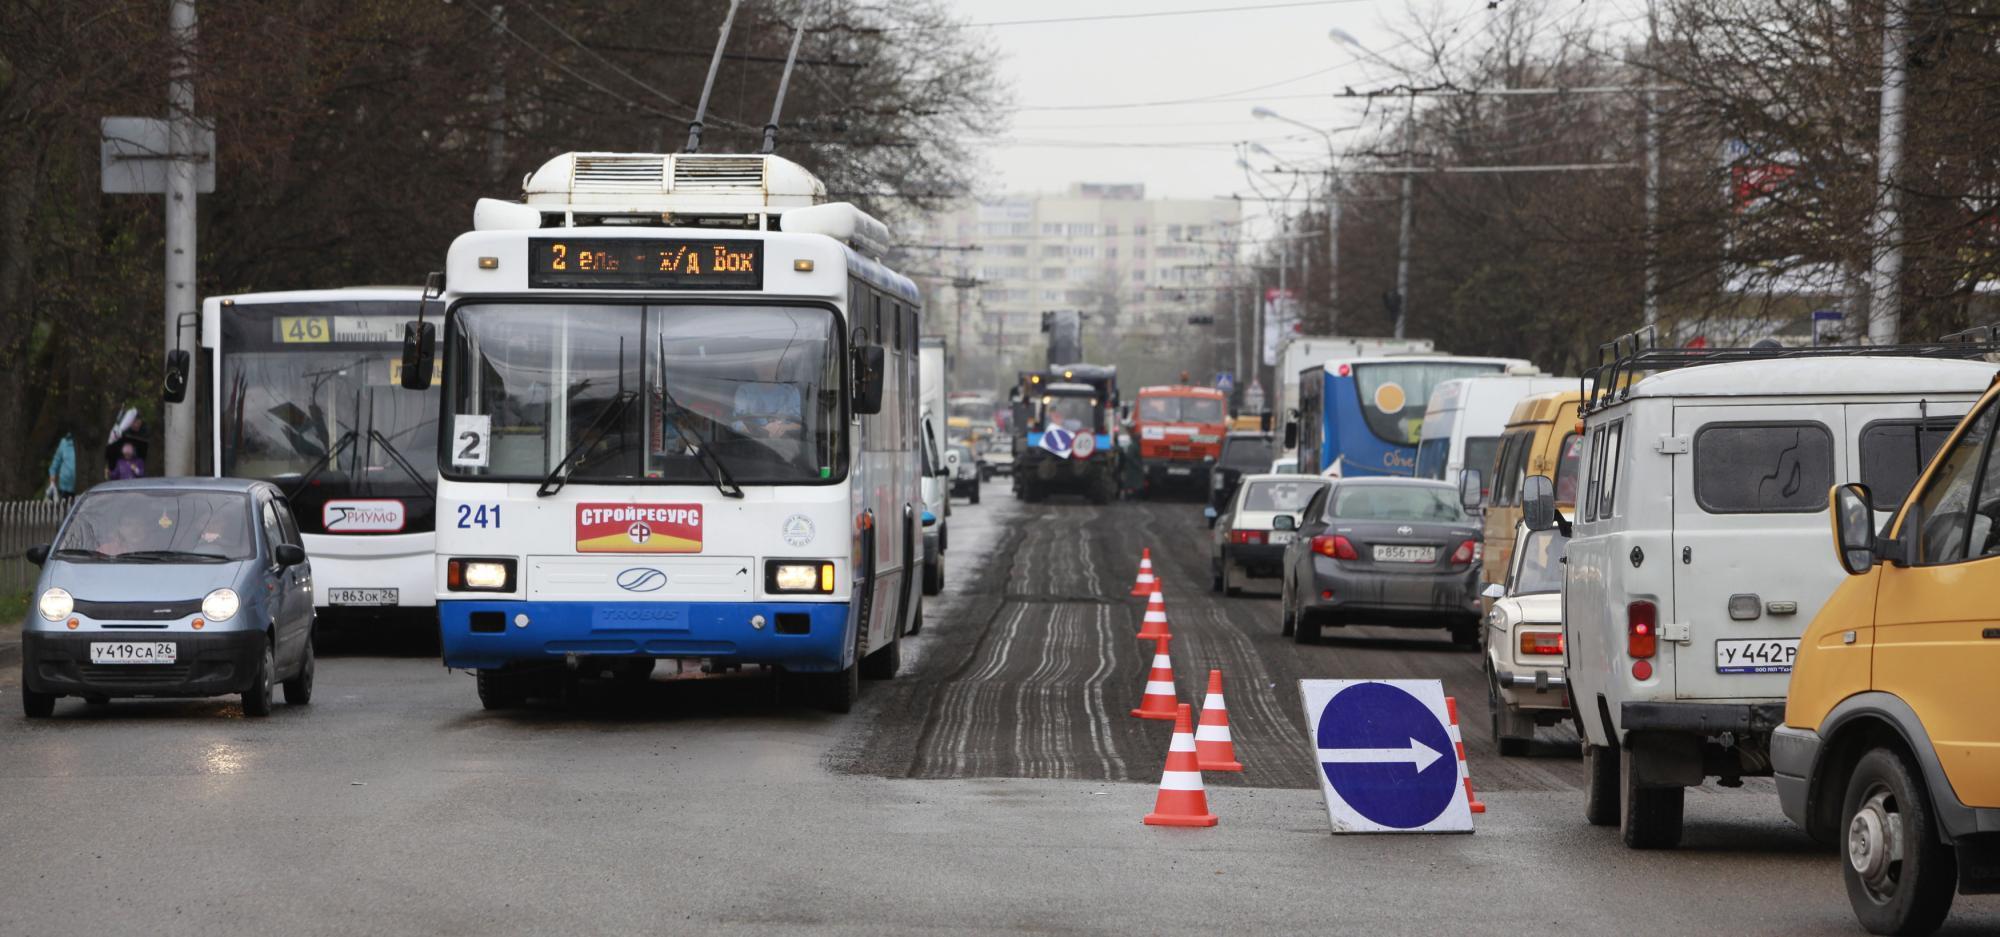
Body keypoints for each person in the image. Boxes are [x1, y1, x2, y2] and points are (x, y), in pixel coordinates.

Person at [730, 380, 802, 440]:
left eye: (771, 364)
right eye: (761, 364)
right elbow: (736, 423)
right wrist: (760, 432)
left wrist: (782, 428)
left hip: (785, 446)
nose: (766, 367)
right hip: (753, 444)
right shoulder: (745, 391)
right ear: (754, 365)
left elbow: (799, 425)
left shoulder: (791, 391)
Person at [46, 429, 77, 502]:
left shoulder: (85, 444)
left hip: (83, 488)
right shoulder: (64, 442)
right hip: (65, 489)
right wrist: (52, 484)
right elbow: (53, 467)